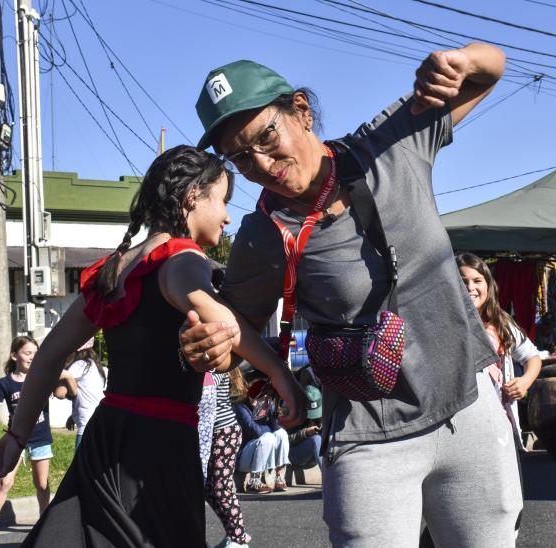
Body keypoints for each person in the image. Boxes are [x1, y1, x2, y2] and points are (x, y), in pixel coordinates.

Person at [182, 43, 522, 546]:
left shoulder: (387, 145)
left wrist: (462, 61)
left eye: (265, 136)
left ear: (301, 110)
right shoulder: (261, 234)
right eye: (238, 157)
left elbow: (489, 73)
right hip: (367, 438)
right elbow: (237, 327)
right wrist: (228, 350)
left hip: (467, 409)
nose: (259, 163)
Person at [0, 146, 306, 546]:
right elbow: (216, 313)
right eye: (223, 200)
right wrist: (278, 371)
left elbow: (51, 351)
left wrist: (16, 436)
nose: (228, 215)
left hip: (105, 440)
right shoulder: (182, 258)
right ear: (193, 196)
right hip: (158, 450)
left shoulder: (116, 268)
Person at [456, 252, 542, 449]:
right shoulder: (445, 325)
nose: (470, 287)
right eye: (463, 281)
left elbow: (532, 356)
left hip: (500, 426)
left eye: (477, 280)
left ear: (488, 284)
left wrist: (525, 381)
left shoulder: (500, 323)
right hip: (461, 428)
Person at [0, 336, 69, 531]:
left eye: (35, 354)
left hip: (40, 439)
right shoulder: (4, 384)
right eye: (27, 353)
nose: (32, 357)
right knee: (5, 481)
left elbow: (62, 392)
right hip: (16, 439)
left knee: (41, 483)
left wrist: (65, 377)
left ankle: (44, 521)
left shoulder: (43, 378)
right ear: (13, 356)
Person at [206, 367, 252, 548]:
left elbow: (206, 388)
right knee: (209, 490)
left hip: (224, 432)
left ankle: (239, 539)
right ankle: (233, 534)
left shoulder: (216, 366)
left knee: (221, 487)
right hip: (214, 432)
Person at [234, 380, 290, 493]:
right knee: (268, 437)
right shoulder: (241, 408)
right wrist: (259, 411)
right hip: (243, 456)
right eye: (260, 397)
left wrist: (271, 408)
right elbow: (255, 431)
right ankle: (254, 482)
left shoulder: (266, 405)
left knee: (281, 434)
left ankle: (279, 477)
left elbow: (276, 428)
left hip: (263, 451)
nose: (262, 400)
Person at [53, 338, 106, 450]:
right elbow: (90, 397)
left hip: (87, 426)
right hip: (100, 422)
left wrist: (66, 375)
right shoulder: (94, 366)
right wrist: (74, 416)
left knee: (80, 466)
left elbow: (60, 393)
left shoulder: (79, 365)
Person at [287, 384, 324, 475]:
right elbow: (285, 440)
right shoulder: (292, 413)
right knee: (316, 439)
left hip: (314, 457)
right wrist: (305, 433)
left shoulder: (325, 414)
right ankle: (328, 476)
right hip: (295, 456)